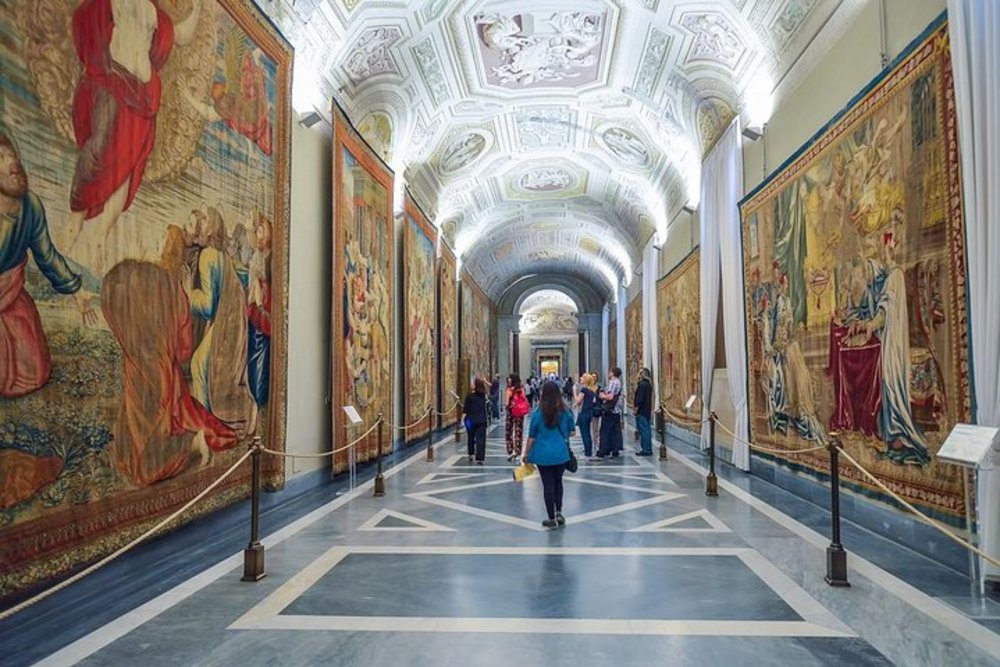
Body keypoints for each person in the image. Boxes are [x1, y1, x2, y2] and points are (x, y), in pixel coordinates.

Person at [66, 0, 205, 270]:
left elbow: (183, 35)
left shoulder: (155, 14)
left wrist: (199, 8)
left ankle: (92, 245)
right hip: (112, 91)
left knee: (126, 180)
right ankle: (74, 234)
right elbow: (85, 23)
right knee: (97, 159)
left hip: (141, 105)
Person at [101, 226, 236, 486]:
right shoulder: (162, 283)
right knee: (144, 421)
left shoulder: (151, 280)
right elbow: (184, 348)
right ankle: (184, 441)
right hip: (156, 365)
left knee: (146, 443)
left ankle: (190, 442)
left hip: (149, 363)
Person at [0, 128, 97, 398]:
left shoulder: (30, 206)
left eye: (11, 154)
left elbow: (47, 256)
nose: (12, 163)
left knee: (35, 372)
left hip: (10, 296)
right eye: (0, 157)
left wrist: (76, 289)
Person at [522, 381, 575, 529]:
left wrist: (526, 453)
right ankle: (559, 512)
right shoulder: (565, 411)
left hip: (543, 455)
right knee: (558, 482)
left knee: (547, 485)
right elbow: (572, 431)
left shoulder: (538, 414)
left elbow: (532, 437)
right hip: (560, 454)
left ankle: (551, 518)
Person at [595, 367, 624, 459]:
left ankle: (603, 450)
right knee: (615, 431)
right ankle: (615, 449)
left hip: (610, 410)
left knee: (605, 430)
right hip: (616, 410)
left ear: (613, 373)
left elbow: (610, 397)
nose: (608, 373)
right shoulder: (619, 382)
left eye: (610, 372)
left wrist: (601, 395)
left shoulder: (613, 382)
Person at [463, 378, 489, 464]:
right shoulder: (483, 396)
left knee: (470, 437)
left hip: (470, 420)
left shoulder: (469, 396)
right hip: (481, 420)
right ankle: (480, 458)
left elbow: (465, 409)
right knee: (481, 439)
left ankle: (470, 454)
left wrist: (462, 419)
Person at [505, 373, 529, 461]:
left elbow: (507, 403)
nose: (508, 380)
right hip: (520, 412)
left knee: (509, 431)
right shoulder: (521, 388)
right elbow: (524, 398)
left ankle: (510, 450)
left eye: (510, 378)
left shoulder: (509, 390)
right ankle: (518, 451)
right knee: (519, 431)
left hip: (511, 411)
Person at [574, 373, 598, 457]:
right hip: (589, 413)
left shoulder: (584, 390)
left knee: (584, 433)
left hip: (584, 413)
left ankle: (588, 451)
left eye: (582, 377)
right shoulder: (591, 390)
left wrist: (574, 391)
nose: (580, 378)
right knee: (587, 432)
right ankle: (588, 450)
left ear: (585, 380)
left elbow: (578, 400)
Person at [633, 368, 654, 456]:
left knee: (644, 430)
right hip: (647, 410)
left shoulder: (642, 385)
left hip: (642, 411)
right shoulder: (648, 385)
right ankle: (647, 448)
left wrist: (635, 409)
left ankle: (646, 449)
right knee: (646, 429)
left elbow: (639, 399)